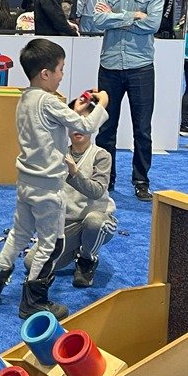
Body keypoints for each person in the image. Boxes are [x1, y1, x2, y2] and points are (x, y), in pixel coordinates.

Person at [0, 38, 108, 320]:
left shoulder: (26, 98)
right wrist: (102, 105)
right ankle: (34, 301)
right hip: (48, 188)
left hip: (26, 181)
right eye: (60, 70)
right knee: (52, 243)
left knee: (19, 233)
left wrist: (76, 109)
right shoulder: (49, 101)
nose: (62, 75)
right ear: (46, 73)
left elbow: (52, 123)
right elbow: (87, 125)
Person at [90, 0, 164, 203]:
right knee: (106, 128)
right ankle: (104, 179)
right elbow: (97, 20)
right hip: (109, 65)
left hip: (140, 66)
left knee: (142, 129)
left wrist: (114, 16)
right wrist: (132, 15)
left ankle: (141, 181)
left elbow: (153, 24)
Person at [25, 122, 118, 289]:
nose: (78, 129)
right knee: (30, 263)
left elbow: (97, 191)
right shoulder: (57, 155)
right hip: (66, 224)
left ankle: (87, 259)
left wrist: (74, 172)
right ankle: (75, 249)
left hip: (99, 220)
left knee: (95, 222)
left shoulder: (102, 155)